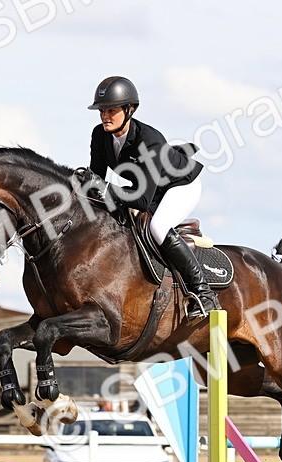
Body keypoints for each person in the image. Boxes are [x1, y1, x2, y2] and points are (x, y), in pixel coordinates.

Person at [83, 75, 220, 320]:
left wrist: (102, 188)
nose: (105, 116)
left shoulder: (149, 141)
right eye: (102, 111)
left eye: (111, 110)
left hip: (180, 186)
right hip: (148, 189)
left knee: (157, 226)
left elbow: (142, 201)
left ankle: (204, 293)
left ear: (129, 110)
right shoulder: (100, 135)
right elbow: (96, 179)